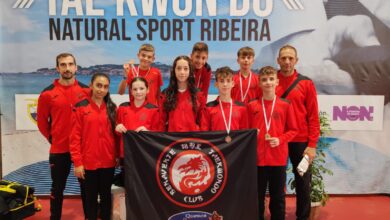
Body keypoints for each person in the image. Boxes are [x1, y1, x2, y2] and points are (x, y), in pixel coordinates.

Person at [37, 53, 89, 220]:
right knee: (57, 188)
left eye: (70, 64)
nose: (67, 68)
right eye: (63, 65)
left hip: (82, 150)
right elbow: (42, 123)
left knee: (87, 188)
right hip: (59, 149)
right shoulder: (47, 94)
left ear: (76, 67)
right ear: (57, 68)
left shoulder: (87, 91)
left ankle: (91, 216)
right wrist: (53, 138)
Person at [276, 45, 320, 220]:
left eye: (290, 58)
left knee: (303, 184)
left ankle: (302, 217)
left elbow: (313, 117)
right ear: (278, 60)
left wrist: (312, 146)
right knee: (277, 184)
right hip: (278, 141)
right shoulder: (271, 81)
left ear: (296, 60)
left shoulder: (306, 83)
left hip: (300, 142)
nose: (287, 61)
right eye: (283, 58)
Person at [248, 66, 298, 220]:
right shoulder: (252, 105)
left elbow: (294, 130)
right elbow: (245, 131)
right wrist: (251, 134)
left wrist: (280, 139)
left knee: (278, 198)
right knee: (256, 198)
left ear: (277, 82)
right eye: (264, 80)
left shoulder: (285, 104)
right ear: (259, 83)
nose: (268, 82)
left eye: (271, 79)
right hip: (257, 160)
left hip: (277, 159)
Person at [70, 73, 118, 220]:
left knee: (106, 197)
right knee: (90, 199)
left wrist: (116, 156)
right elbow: (74, 138)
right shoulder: (80, 107)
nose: (101, 89)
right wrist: (78, 163)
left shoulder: (112, 108)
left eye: (105, 87)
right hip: (88, 163)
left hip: (108, 163)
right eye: (98, 85)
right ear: (91, 86)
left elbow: (115, 136)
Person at [116, 77, 161, 159]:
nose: (138, 92)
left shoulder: (154, 110)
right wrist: (117, 128)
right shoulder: (123, 108)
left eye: (141, 88)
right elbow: (116, 133)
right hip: (126, 154)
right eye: (135, 89)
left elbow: (158, 136)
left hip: (145, 154)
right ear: (131, 91)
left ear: (147, 90)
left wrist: (148, 132)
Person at [160, 55, 206, 132]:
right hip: (173, 140)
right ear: (174, 71)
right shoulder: (166, 94)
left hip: (192, 141)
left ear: (190, 71)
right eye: (179, 68)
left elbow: (203, 122)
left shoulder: (198, 95)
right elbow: (160, 122)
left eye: (185, 69)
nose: (182, 72)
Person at [200, 66, 249, 135]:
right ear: (216, 84)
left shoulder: (242, 108)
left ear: (232, 84)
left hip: (236, 145)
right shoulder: (208, 108)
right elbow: (204, 134)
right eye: (222, 81)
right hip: (215, 146)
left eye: (228, 81)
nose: (225, 84)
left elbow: (244, 135)